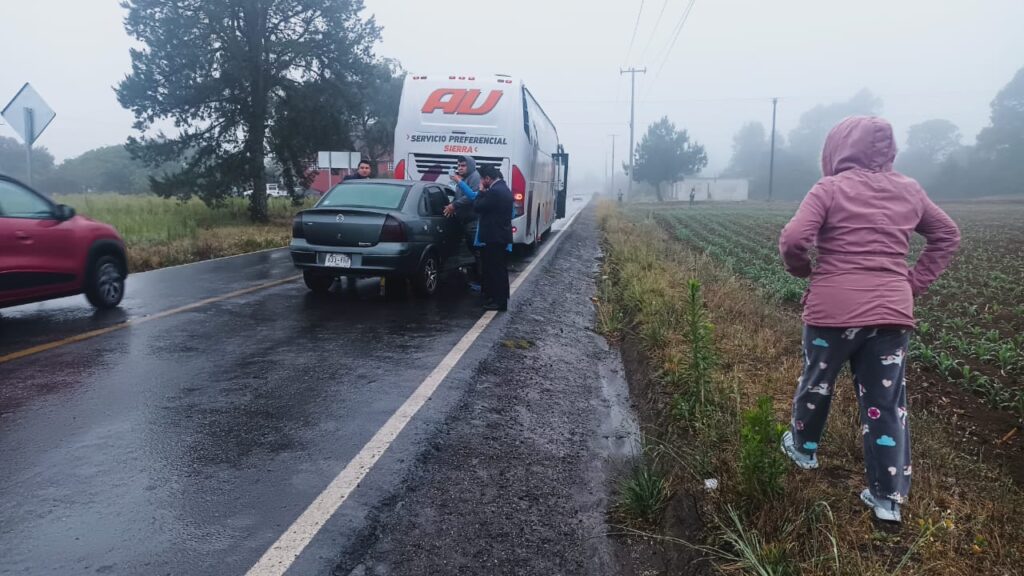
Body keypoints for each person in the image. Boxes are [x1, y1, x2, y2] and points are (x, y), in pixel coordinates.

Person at [778, 116, 960, 524]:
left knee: (817, 382)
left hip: (832, 312)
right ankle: (887, 500)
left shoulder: (829, 188)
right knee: (885, 403)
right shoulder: (910, 190)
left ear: (837, 149)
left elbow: (793, 239)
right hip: (891, 316)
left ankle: (804, 450)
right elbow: (947, 234)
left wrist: (802, 270)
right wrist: (913, 283)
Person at [473, 165, 513, 311]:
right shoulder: (504, 188)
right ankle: (499, 299)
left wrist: (481, 192)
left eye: (482, 179)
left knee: (495, 270)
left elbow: (477, 206)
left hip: (494, 236)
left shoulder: (494, 192)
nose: (481, 182)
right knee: (499, 269)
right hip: (500, 235)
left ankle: (498, 301)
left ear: (487, 178)